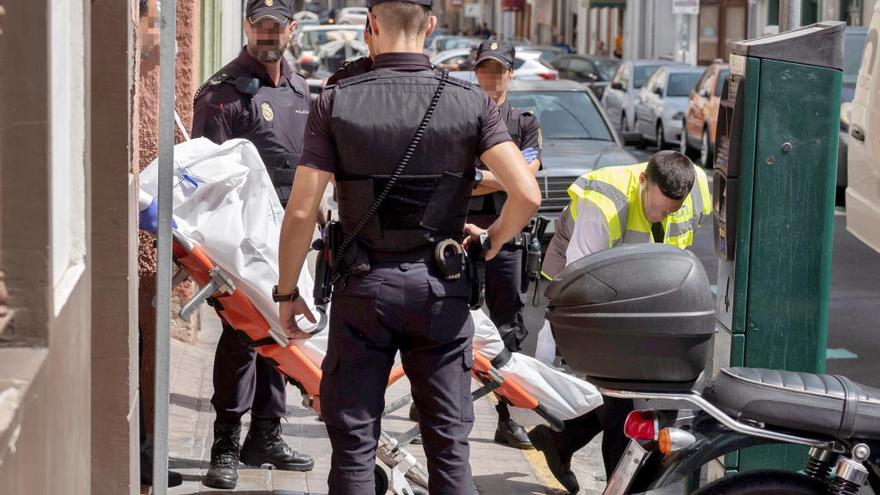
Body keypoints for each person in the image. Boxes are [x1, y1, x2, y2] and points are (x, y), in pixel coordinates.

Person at [274, 1, 541, 493]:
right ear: (432, 27)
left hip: (363, 291)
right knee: (449, 451)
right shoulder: (471, 101)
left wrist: (286, 291)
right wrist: (491, 242)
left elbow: (300, 211)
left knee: (354, 449)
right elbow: (526, 193)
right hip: (441, 292)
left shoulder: (335, 100)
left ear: (370, 26)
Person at [528, 150, 711, 494]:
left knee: (651, 395)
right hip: (587, 288)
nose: (663, 216)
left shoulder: (697, 187)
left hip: (644, 292)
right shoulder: (604, 206)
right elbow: (581, 284)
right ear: (644, 180)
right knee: (622, 395)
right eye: (657, 208)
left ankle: (562, 440)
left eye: (672, 209)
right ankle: (620, 484)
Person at [190, 0, 314, 489]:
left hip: (292, 236)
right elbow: (203, 175)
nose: (268, 35)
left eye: (276, 27)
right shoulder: (221, 94)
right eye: (260, 26)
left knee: (283, 334)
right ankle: (225, 442)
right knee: (242, 336)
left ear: (291, 31)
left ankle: (265, 433)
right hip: (242, 241)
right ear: (247, 28)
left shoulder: (302, 88)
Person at [469, 38, 542, 449]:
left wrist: (479, 179)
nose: (491, 77)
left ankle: (506, 416)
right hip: (461, 230)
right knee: (442, 322)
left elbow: (526, 179)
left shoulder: (524, 123)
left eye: (499, 69)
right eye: (484, 69)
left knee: (507, 330)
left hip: (508, 235)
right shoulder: (462, 116)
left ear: (511, 73)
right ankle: (428, 404)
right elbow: (458, 178)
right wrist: (506, 177)